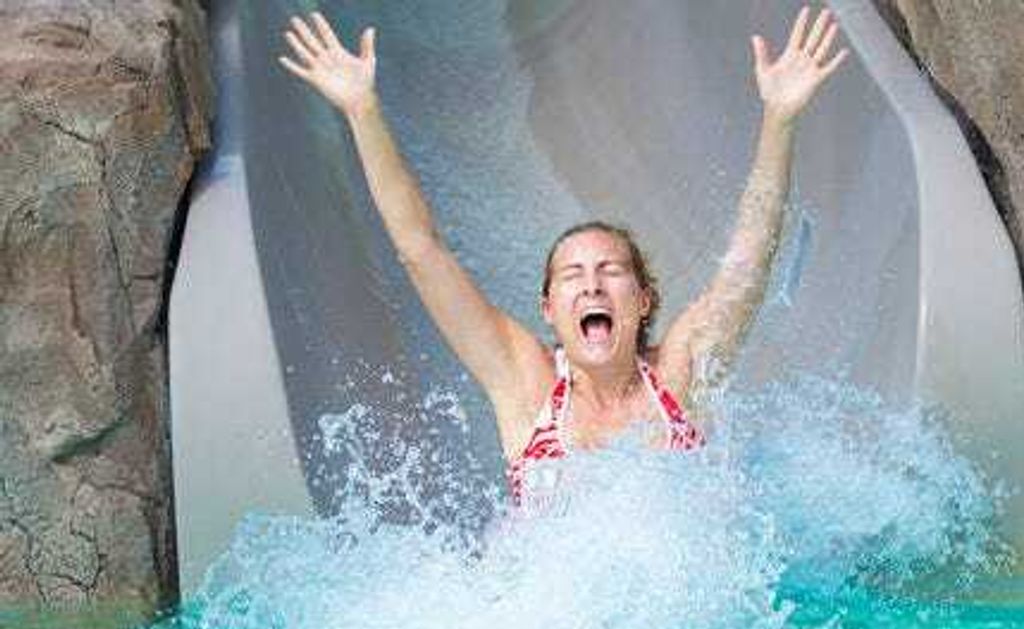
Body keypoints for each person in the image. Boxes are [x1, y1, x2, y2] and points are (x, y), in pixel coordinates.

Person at [279, 7, 848, 504]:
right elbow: (421, 251)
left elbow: (748, 264)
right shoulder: (522, 383)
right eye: (572, 276)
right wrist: (362, 111)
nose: (592, 285)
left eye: (611, 271)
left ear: (644, 299)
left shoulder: (679, 375)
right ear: (549, 308)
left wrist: (780, 120)